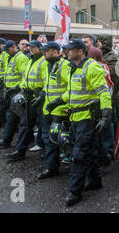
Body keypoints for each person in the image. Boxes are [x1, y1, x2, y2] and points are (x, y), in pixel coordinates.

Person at [45, 39, 112, 207]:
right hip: (75, 118)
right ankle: (95, 180)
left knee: (79, 154)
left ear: (80, 51)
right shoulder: (72, 68)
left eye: (70, 49)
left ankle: (75, 191)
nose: (66, 52)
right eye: (66, 50)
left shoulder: (91, 67)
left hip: (87, 119)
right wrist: (58, 101)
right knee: (89, 150)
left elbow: (103, 92)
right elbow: (72, 92)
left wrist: (106, 115)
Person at [6, 40, 47, 162]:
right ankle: (20, 150)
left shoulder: (43, 62)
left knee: (43, 127)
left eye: (34, 47)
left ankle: (48, 153)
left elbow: (47, 81)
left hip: (39, 97)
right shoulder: (30, 61)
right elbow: (26, 78)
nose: (31, 49)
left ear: (40, 48)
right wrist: (20, 89)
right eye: (30, 47)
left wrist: (41, 95)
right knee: (25, 125)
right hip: (29, 96)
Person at [37, 41, 70, 180]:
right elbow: (48, 85)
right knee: (48, 139)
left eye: (47, 50)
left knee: (61, 140)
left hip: (60, 110)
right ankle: (51, 167)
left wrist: (60, 103)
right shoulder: (47, 64)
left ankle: (74, 167)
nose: (44, 53)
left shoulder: (65, 65)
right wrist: (42, 94)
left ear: (55, 52)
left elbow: (71, 88)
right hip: (48, 109)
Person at [0, 40, 29, 148]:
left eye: (8, 49)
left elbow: (25, 76)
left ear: (13, 47)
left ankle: (7, 140)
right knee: (11, 117)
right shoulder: (10, 57)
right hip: (9, 91)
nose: (7, 52)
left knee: (13, 117)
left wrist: (18, 88)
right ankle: (7, 140)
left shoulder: (20, 58)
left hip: (17, 92)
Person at [97, 34, 119, 130]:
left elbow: (111, 73)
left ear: (104, 43)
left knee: (110, 120)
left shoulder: (112, 57)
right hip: (103, 94)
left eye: (98, 42)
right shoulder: (102, 55)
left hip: (112, 94)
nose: (97, 44)